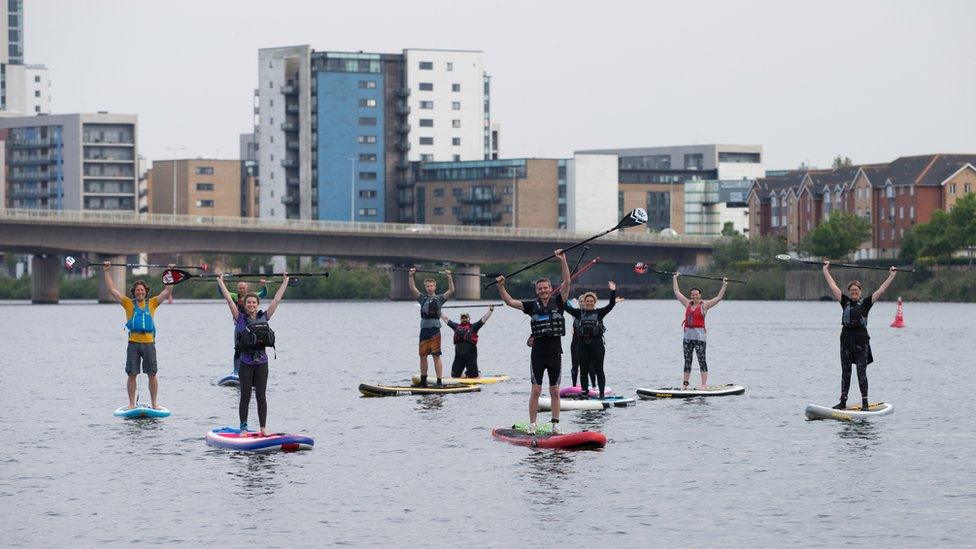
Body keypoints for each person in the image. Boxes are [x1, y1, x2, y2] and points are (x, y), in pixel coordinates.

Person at [496, 249, 571, 435]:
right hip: (537, 354)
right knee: (536, 390)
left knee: (554, 390)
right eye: (540, 289)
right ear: (536, 291)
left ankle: (555, 424)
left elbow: (567, 282)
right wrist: (501, 286)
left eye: (546, 288)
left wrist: (562, 260)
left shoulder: (559, 301)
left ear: (550, 288)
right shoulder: (531, 306)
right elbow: (510, 302)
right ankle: (533, 424)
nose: (543, 291)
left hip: (555, 354)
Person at [217, 272, 290, 436]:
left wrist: (285, 282)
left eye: (253, 302)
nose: (251, 304)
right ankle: (243, 428)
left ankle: (263, 428)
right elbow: (229, 299)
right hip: (246, 363)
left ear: (257, 304)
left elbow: (276, 300)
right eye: (248, 302)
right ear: (245, 304)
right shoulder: (239, 318)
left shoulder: (264, 316)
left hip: (262, 363)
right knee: (245, 396)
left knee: (261, 396)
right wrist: (220, 282)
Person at [823, 262, 897, 411]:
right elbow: (833, 286)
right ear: (850, 292)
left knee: (861, 371)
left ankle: (865, 403)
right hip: (846, 338)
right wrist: (825, 270)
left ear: (860, 291)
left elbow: (881, 290)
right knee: (846, 371)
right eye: (852, 290)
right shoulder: (845, 302)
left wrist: (891, 275)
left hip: (861, 339)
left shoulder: (866, 303)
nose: (854, 292)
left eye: (856, 290)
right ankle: (843, 401)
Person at [102, 261, 174, 410]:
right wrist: (107, 271)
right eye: (137, 290)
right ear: (133, 292)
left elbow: (167, 291)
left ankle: (154, 403)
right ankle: (131, 404)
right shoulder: (128, 303)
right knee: (132, 374)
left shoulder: (153, 303)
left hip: (149, 343)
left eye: (142, 290)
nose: (139, 292)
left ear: (145, 292)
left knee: (152, 374)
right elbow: (112, 290)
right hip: (133, 343)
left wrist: (169, 273)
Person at [673, 273, 728, 390]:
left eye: (696, 295)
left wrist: (724, 285)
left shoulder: (705, 305)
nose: (694, 297)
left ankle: (703, 385)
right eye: (693, 295)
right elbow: (677, 292)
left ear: (700, 295)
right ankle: (685, 384)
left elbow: (718, 298)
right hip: (687, 338)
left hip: (700, 338)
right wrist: (675, 278)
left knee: (701, 360)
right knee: (687, 361)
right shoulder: (687, 303)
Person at [564, 282, 617, 398]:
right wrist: (562, 293)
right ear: (584, 302)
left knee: (599, 369)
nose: (589, 303)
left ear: (594, 302)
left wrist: (613, 291)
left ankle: (601, 393)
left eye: (591, 301)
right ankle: (584, 392)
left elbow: (611, 305)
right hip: (582, 345)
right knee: (583, 369)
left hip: (597, 345)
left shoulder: (600, 313)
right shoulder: (578, 313)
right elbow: (565, 306)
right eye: (587, 301)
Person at [408, 267, 455, 387]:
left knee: (436, 356)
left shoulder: (439, 299)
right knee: (422, 356)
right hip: (424, 330)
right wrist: (410, 276)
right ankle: (423, 381)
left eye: (431, 286)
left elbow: (451, 290)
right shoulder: (422, 298)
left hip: (435, 330)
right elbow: (412, 288)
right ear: (425, 287)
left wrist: (449, 277)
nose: (429, 288)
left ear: (435, 287)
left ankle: (439, 381)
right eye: (428, 286)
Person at [222, 279, 267, 375]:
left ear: (247, 288)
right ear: (237, 289)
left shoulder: (252, 297)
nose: (242, 289)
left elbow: (263, 294)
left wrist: (264, 286)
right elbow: (224, 294)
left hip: (252, 327)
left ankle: (254, 370)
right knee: (238, 349)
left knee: (254, 349)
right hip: (239, 326)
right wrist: (221, 282)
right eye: (240, 288)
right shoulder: (235, 296)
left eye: (243, 287)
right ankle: (236, 371)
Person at [441, 306, 494, 378]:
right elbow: (446, 319)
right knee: (454, 376)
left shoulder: (474, 327)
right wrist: (439, 311)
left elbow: (484, 319)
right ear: (460, 319)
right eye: (462, 318)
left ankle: (476, 374)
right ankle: (465, 375)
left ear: (469, 319)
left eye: (465, 318)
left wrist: (490, 310)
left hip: (470, 357)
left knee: (474, 377)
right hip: (459, 357)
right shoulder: (456, 326)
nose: (464, 319)